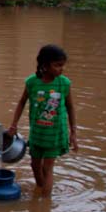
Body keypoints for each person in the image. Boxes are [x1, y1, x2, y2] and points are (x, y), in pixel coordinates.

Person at [8, 44, 77, 197]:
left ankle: (44, 204)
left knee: (47, 168)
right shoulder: (32, 82)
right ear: (45, 65)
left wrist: (73, 133)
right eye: (57, 65)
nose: (61, 69)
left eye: (62, 65)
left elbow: (71, 107)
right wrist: (14, 124)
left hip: (55, 135)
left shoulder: (64, 84)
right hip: (37, 133)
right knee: (34, 165)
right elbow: (21, 102)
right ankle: (40, 189)